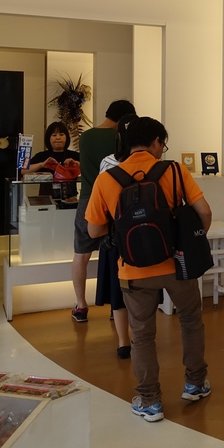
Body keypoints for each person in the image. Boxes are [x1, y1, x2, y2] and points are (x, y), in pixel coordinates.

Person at [86, 116, 213, 422]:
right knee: (191, 322)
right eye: (162, 144)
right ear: (156, 142)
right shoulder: (175, 170)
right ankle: (195, 384)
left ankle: (150, 401)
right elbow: (205, 212)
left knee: (142, 335)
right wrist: (191, 242)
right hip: (177, 265)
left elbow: (93, 230)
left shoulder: (107, 179)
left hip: (133, 270)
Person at [71, 100, 136, 324]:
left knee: (81, 254)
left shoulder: (86, 137)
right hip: (115, 200)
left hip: (87, 198)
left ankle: (81, 305)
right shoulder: (119, 137)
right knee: (117, 252)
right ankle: (116, 305)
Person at [92, 113, 139, 359]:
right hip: (144, 236)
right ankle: (141, 337)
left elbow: (99, 206)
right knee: (142, 292)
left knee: (118, 291)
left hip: (115, 235)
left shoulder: (107, 163)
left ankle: (123, 343)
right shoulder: (155, 164)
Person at [22, 121, 80, 199]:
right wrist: (41, 165)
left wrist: (76, 164)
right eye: (54, 135)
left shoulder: (74, 155)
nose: (58, 138)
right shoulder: (42, 155)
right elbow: (23, 170)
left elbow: (89, 169)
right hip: (46, 199)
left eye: (61, 134)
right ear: (48, 138)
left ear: (67, 137)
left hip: (70, 199)